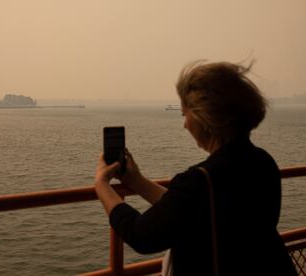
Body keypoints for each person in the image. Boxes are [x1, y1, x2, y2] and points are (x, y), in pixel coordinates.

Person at [94, 60, 297, 276]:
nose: (184, 124)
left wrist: (102, 185)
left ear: (205, 117)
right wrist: (137, 182)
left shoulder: (199, 180)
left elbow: (141, 235)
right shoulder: (263, 162)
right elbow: (194, 209)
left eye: (185, 114)